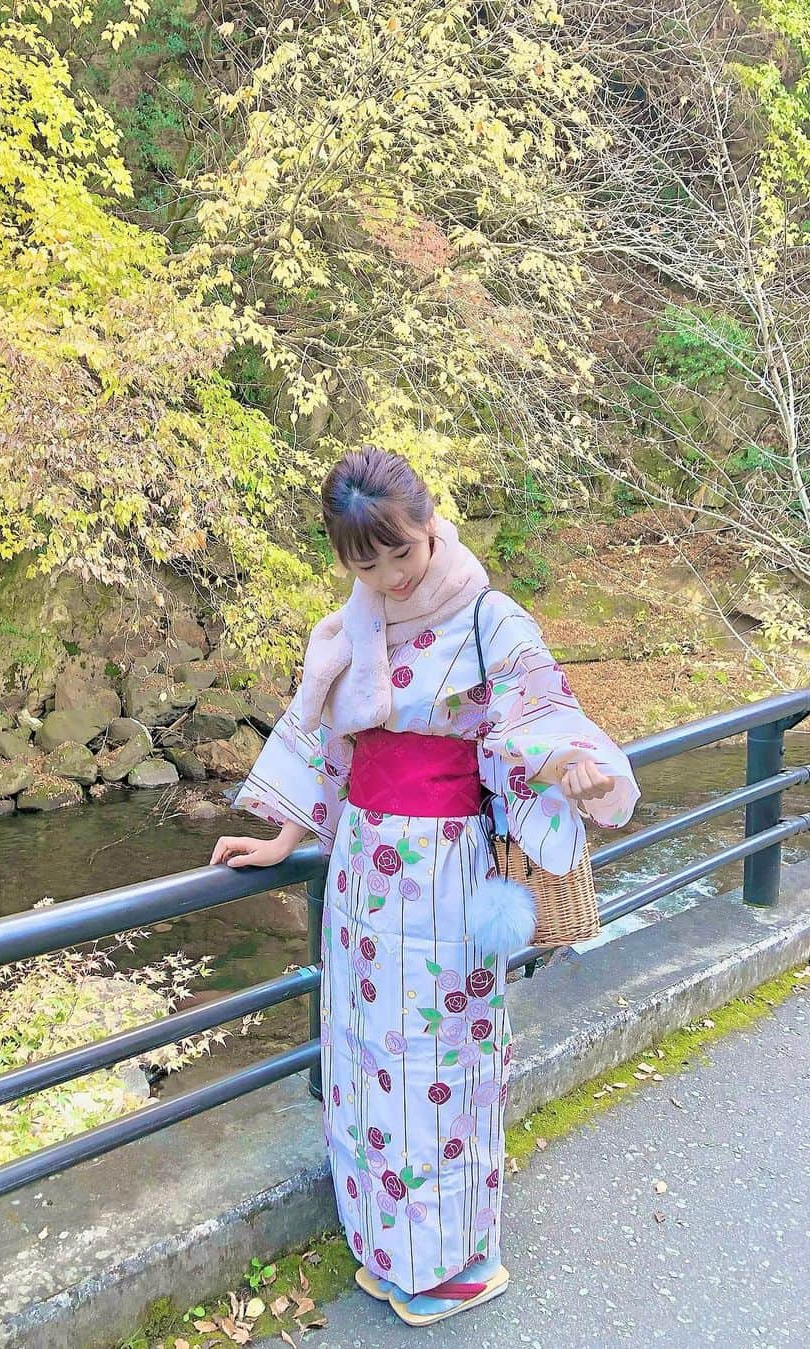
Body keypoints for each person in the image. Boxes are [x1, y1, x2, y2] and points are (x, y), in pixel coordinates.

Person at [211, 447, 639, 1325]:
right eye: (364, 563)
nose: (389, 577)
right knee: (367, 1052)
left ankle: (444, 1258)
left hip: (447, 869)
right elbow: (329, 745)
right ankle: (382, 1243)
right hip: (365, 869)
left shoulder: (489, 617)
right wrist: (286, 834)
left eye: (400, 552)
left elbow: (538, 714)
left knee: (441, 1056)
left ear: (430, 521)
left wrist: (572, 765)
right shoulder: (346, 631)